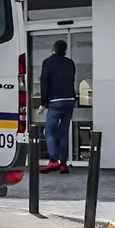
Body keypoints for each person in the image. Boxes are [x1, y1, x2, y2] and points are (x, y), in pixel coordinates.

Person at [38, 39, 76, 174]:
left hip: (55, 101)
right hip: (69, 100)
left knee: (49, 131)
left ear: (53, 49)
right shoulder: (70, 63)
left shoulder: (48, 62)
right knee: (64, 132)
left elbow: (44, 83)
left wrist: (43, 103)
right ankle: (63, 164)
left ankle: (53, 160)